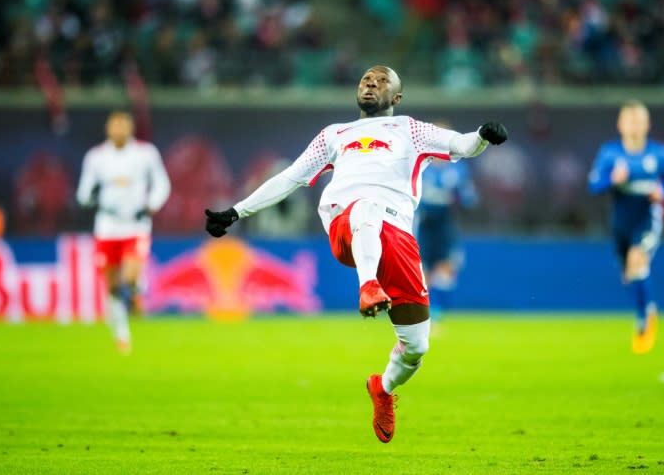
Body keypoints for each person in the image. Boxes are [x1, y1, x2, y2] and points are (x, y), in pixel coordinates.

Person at [204, 65, 508, 443]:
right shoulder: (334, 135)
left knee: (417, 347)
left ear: (396, 98)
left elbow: (461, 146)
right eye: (367, 79)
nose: (372, 83)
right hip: (347, 225)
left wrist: (482, 135)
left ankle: (383, 387)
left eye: (383, 81)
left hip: (397, 239)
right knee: (366, 206)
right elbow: (290, 178)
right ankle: (368, 287)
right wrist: (235, 212)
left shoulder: (410, 130)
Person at [76, 111, 171, 354]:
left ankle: (138, 285)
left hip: (135, 225)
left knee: (128, 277)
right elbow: (83, 191)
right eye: (114, 126)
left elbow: (162, 183)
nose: (119, 130)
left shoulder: (145, 153)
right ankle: (122, 334)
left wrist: (152, 204)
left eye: (123, 125)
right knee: (113, 287)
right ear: (108, 129)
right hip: (107, 226)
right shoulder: (96, 157)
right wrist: (88, 197)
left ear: (130, 128)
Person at [588, 100, 664, 354]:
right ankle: (644, 310)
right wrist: (611, 180)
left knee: (637, 259)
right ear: (620, 124)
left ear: (648, 124)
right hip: (621, 221)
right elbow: (594, 185)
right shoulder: (610, 153)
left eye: (639, 120)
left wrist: (663, 191)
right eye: (630, 120)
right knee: (628, 274)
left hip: (646, 217)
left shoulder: (659, 153)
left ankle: (645, 317)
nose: (634, 126)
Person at [415, 131, 478, 321]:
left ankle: (436, 312)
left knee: (446, 266)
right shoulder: (421, 167)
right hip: (424, 222)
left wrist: (457, 198)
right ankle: (419, 311)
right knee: (422, 269)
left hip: (446, 223)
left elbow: (469, 198)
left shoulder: (458, 170)